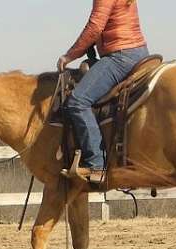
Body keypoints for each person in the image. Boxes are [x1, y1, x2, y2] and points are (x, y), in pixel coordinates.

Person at [57, 0, 149, 184]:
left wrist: (69, 56)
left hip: (120, 56)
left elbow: (95, 27)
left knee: (77, 101)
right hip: (139, 51)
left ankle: (96, 164)